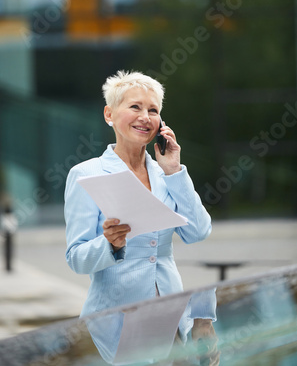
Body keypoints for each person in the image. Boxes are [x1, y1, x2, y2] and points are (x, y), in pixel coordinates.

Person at [64, 70, 212, 317]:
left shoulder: (167, 174)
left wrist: (174, 170)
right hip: (115, 317)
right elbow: (77, 259)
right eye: (135, 107)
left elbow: (198, 232)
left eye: (153, 111)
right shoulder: (86, 173)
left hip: (170, 314)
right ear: (109, 114)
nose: (145, 117)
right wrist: (109, 244)